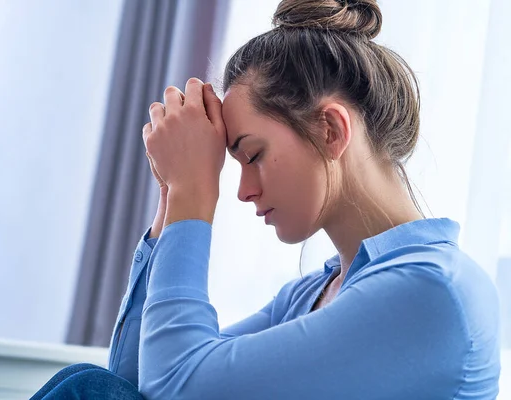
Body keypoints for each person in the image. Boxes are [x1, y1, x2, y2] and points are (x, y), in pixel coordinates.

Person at [31, 0, 501, 398]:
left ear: (331, 130)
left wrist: (195, 192)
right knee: (87, 384)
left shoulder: (432, 289)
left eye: (252, 154)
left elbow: (177, 385)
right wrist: (172, 194)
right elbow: (132, 379)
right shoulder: (308, 296)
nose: (243, 190)